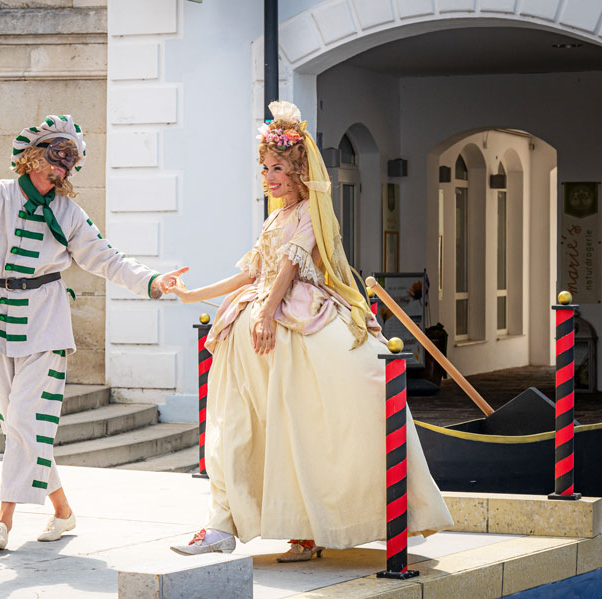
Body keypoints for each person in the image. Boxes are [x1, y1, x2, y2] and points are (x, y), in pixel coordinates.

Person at [169, 101, 452, 561]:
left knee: (305, 427)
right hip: (251, 328)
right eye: (264, 168)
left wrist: (266, 313)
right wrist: (190, 294)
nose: (269, 177)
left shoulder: (313, 216)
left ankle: (306, 527)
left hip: (291, 323)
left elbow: (288, 267)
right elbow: (250, 273)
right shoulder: (276, 217)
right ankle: (224, 525)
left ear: (299, 171)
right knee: (244, 426)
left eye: (277, 167)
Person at [0, 114, 187, 550]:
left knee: (23, 419)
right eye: (58, 159)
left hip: (44, 319)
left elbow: (106, 257)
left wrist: (152, 280)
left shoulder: (69, 213)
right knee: (17, 424)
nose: (64, 169)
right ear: (35, 157)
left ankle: (4, 518)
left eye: (70, 164)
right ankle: (62, 511)